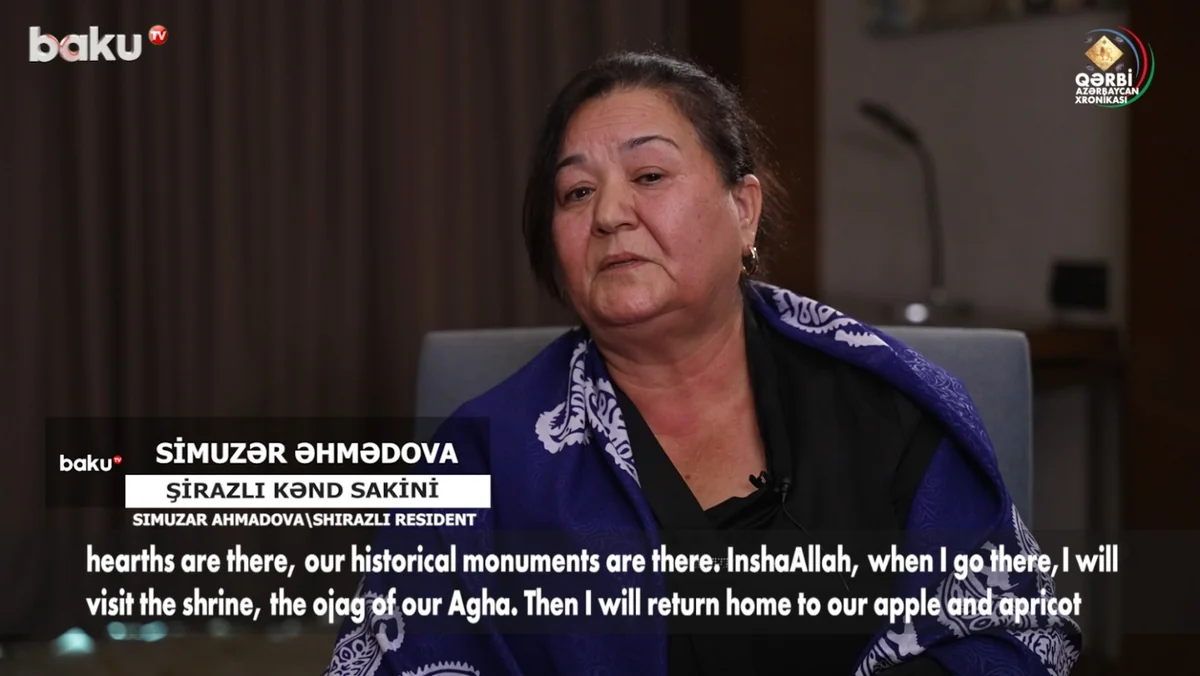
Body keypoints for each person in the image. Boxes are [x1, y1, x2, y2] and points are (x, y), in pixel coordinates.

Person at [324, 52, 1081, 676]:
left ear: (742, 209)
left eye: (649, 176)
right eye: (576, 192)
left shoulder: (883, 398)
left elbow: (1011, 630)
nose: (609, 214)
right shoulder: (485, 453)